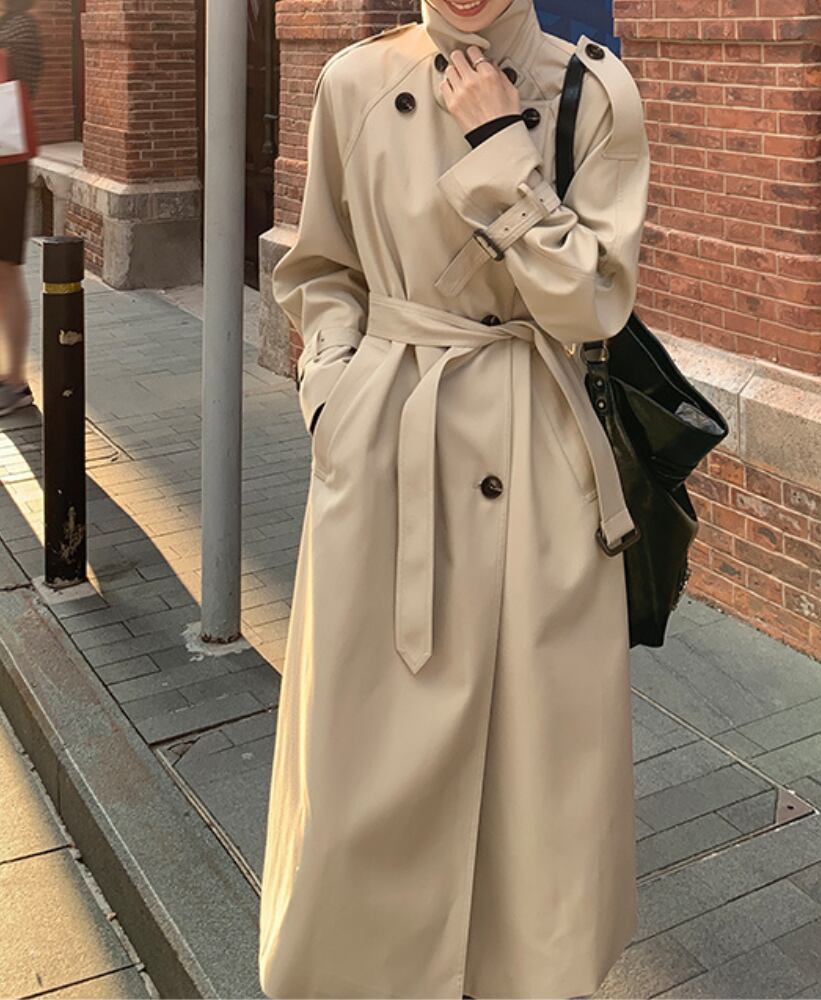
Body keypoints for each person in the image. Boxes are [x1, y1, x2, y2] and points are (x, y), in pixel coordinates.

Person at [257, 0, 650, 996]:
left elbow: (592, 302)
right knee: (362, 767)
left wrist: (499, 143)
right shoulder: (353, 81)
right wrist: (334, 399)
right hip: (388, 452)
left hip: (539, 462)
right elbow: (321, 269)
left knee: (539, 787)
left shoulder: (590, 90)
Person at [0, 0, 42, 417]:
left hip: (6, 167)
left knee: (6, 269)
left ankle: (15, 381)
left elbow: (22, 86)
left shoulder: (20, 27)